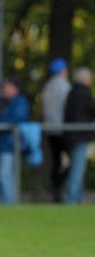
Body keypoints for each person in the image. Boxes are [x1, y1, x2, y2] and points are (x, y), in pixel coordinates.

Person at [0, 77, 30, 204]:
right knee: (0, 174)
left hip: (10, 144)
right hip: (3, 144)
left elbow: (15, 119)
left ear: (15, 89)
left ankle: (9, 203)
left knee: (5, 174)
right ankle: (6, 201)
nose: (5, 90)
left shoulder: (19, 102)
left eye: (7, 87)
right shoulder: (4, 102)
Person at [62, 67, 95, 204]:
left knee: (76, 168)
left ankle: (77, 198)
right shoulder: (83, 93)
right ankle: (71, 200)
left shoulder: (72, 92)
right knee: (77, 170)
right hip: (80, 136)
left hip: (71, 136)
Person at [42, 58, 71, 203]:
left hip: (50, 129)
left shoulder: (48, 86)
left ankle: (55, 188)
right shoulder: (64, 85)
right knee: (71, 161)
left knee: (56, 161)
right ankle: (59, 185)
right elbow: (67, 107)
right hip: (62, 129)